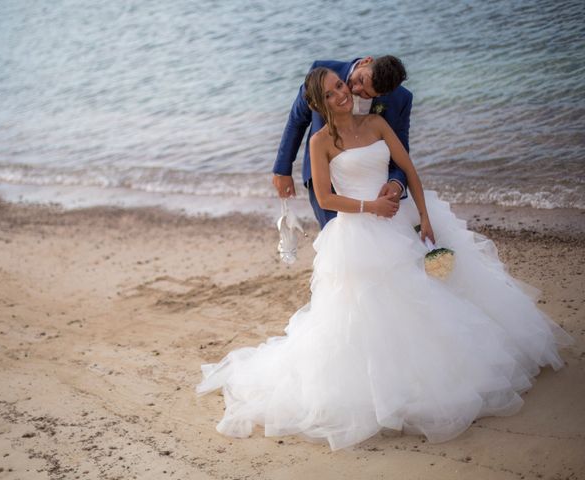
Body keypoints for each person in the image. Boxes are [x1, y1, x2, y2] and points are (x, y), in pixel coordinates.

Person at [196, 66, 573, 451]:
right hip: (359, 232)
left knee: (431, 294)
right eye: (330, 94)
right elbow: (325, 199)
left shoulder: (376, 122)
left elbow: (408, 168)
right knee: (368, 310)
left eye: (341, 86)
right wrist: (371, 206)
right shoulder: (321, 141)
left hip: (399, 218)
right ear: (318, 103)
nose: (341, 94)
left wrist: (424, 216)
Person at [272, 56, 412, 228]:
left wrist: (396, 183)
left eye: (366, 94)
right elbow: (297, 120)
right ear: (365, 62)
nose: (355, 89)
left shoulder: (401, 98)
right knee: (334, 241)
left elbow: (401, 151)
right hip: (324, 181)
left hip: (373, 186)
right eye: (359, 79)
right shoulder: (322, 71)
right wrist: (282, 171)